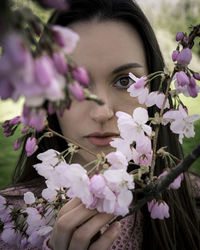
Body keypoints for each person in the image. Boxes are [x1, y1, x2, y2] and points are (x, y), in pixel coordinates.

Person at [0, 0, 200, 249]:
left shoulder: (193, 199)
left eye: (125, 81)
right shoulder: (8, 217)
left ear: (156, 88)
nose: (102, 112)